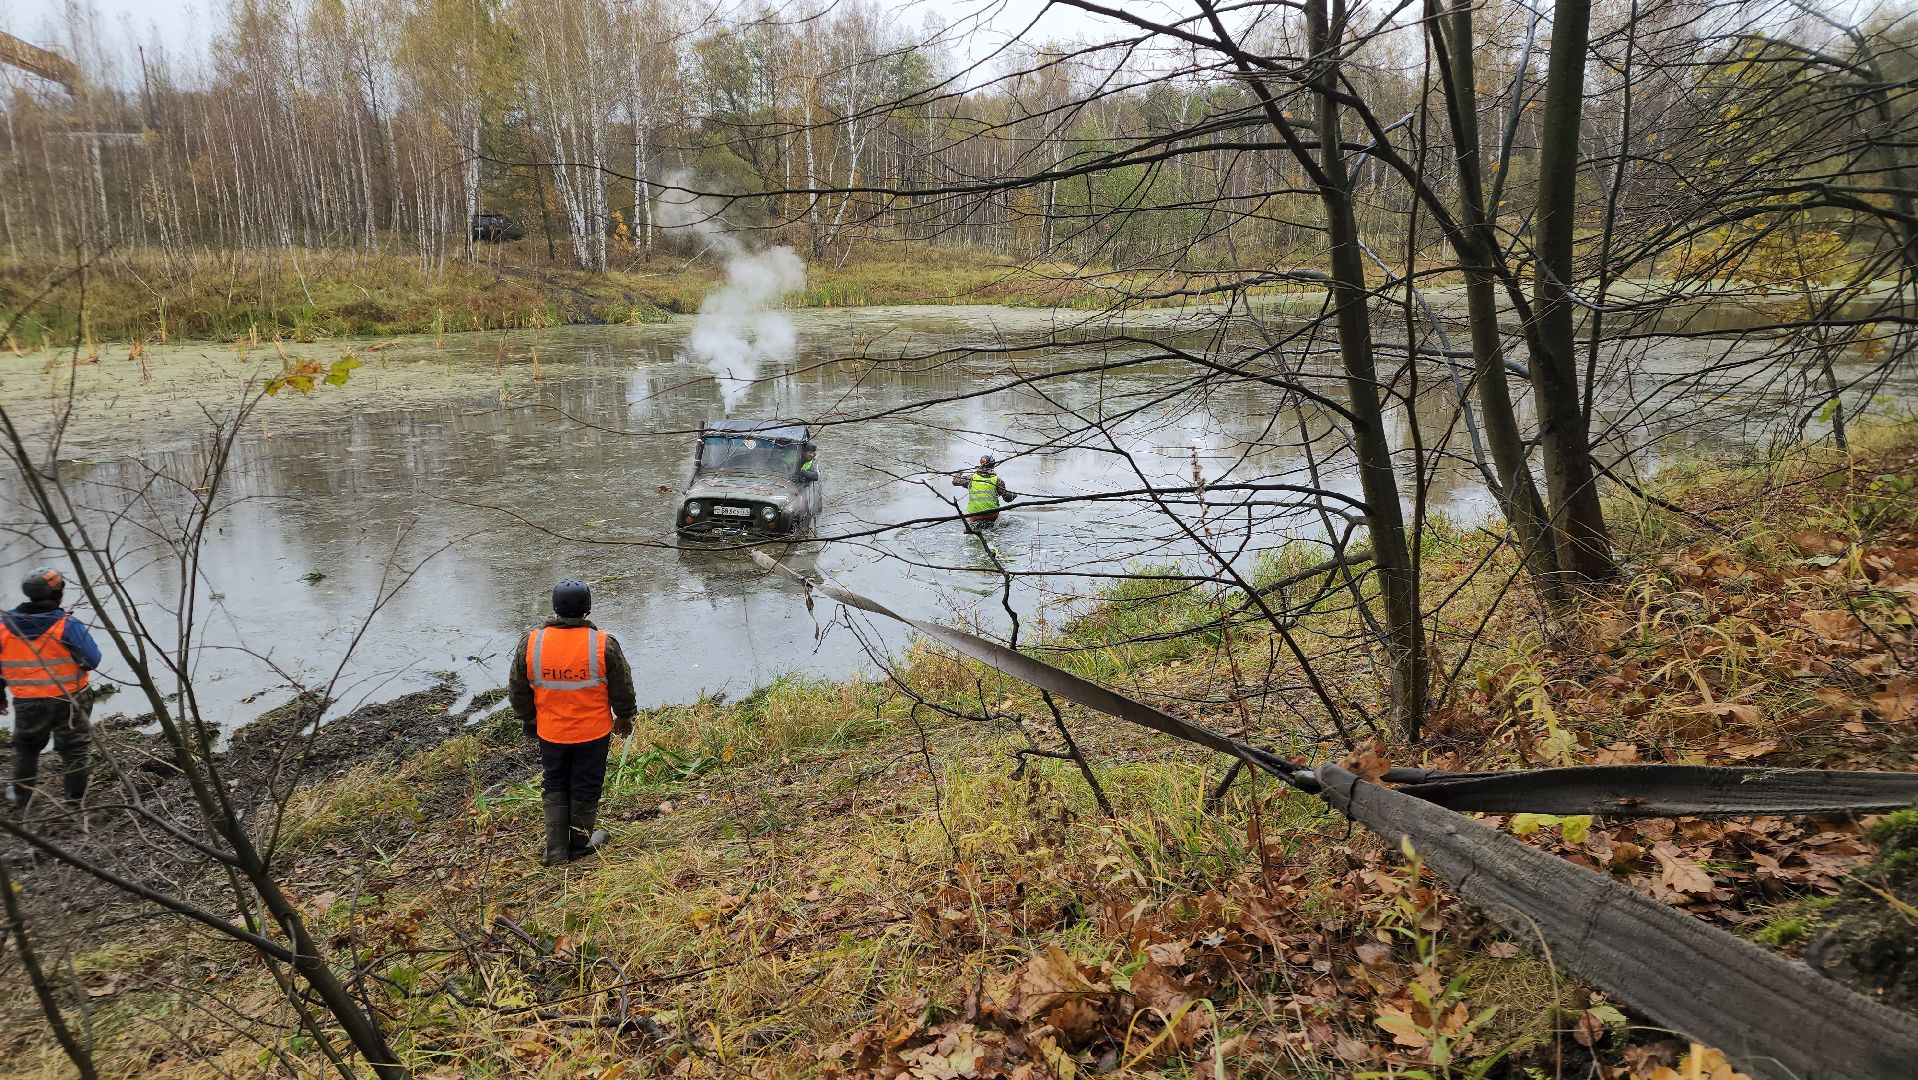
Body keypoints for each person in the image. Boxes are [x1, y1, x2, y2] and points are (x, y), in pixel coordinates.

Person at [508, 578, 637, 866]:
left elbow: (517, 689)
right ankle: (579, 845)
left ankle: (555, 850)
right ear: (587, 608)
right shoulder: (603, 643)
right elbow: (622, 687)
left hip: (551, 733)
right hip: (593, 733)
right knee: (586, 786)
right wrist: (625, 717)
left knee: (554, 782)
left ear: (555, 608)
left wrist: (530, 718)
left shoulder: (531, 643)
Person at [1, 568, 102, 811]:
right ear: (58, 594)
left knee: (26, 750)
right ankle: (74, 801)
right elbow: (92, 660)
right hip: (72, 698)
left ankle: (20, 800)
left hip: (27, 702)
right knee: (75, 749)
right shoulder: (67, 625)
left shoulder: (4, 627)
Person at [951, 454, 1016, 527]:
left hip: (975, 515)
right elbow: (1008, 499)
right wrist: (1013, 495)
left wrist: (960, 472)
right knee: (1006, 523)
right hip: (991, 515)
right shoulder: (997, 480)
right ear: (993, 465)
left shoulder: (971, 478)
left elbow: (955, 481)